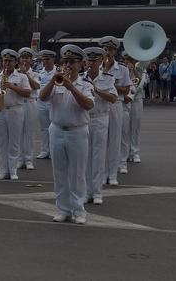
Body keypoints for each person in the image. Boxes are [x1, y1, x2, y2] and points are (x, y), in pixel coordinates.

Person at [40, 44, 94, 224]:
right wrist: (52, 80)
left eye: (72, 62)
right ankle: (63, 209)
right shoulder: (56, 81)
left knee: (77, 173)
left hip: (77, 131)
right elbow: (42, 97)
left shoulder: (86, 84)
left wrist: (71, 87)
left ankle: (79, 210)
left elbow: (88, 105)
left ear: (81, 64)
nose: (68, 65)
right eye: (66, 61)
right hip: (56, 130)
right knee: (59, 172)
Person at [83, 47, 116, 205]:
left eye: (95, 60)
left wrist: (96, 90)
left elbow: (113, 98)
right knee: (84, 157)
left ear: (101, 61)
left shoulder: (107, 78)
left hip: (100, 118)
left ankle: (97, 192)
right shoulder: (81, 78)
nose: (91, 63)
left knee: (98, 155)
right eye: (89, 60)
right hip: (83, 118)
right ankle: (86, 191)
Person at [0, 49, 31, 181]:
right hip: (0, 110)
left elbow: (28, 93)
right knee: (1, 142)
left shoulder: (22, 77)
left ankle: (13, 170)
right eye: (5, 61)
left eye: (10, 61)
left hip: (15, 109)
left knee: (14, 142)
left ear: (15, 62)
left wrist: (11, 86)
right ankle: (3, 170)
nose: (7, 63)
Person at [99, 36, 131, 186]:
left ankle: (112, 174)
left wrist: (111, 85)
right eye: (105, 49)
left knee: (115, 140)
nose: (108, 52)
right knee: (101, 140)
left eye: (111, 49)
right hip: (100, 105)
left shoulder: (123, 69)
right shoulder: (96, 68)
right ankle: (102, 173)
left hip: (116, 103)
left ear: (115, 51)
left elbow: (126, 90)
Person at [18, 47, 41, 170]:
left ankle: (28, 159)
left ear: (31, 60)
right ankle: (19, 159)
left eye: (27, 58)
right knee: (18, 132)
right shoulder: (15, 73)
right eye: (23, 58)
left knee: (29, 132)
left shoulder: (35, 73)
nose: (25, 60)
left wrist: (26, 74)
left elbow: (36, 86)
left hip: (31, 102)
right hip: (19, 103)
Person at [36, 50, 57, 159]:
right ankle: (45, 150)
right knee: (44, 127)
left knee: (53, 126)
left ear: (53, 59)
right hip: (41, 101)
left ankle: (53, 150)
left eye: (47, 59)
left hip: (53, 101)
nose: (45, 62)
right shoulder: (40, 72)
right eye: (43, 59)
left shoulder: (58, 72)